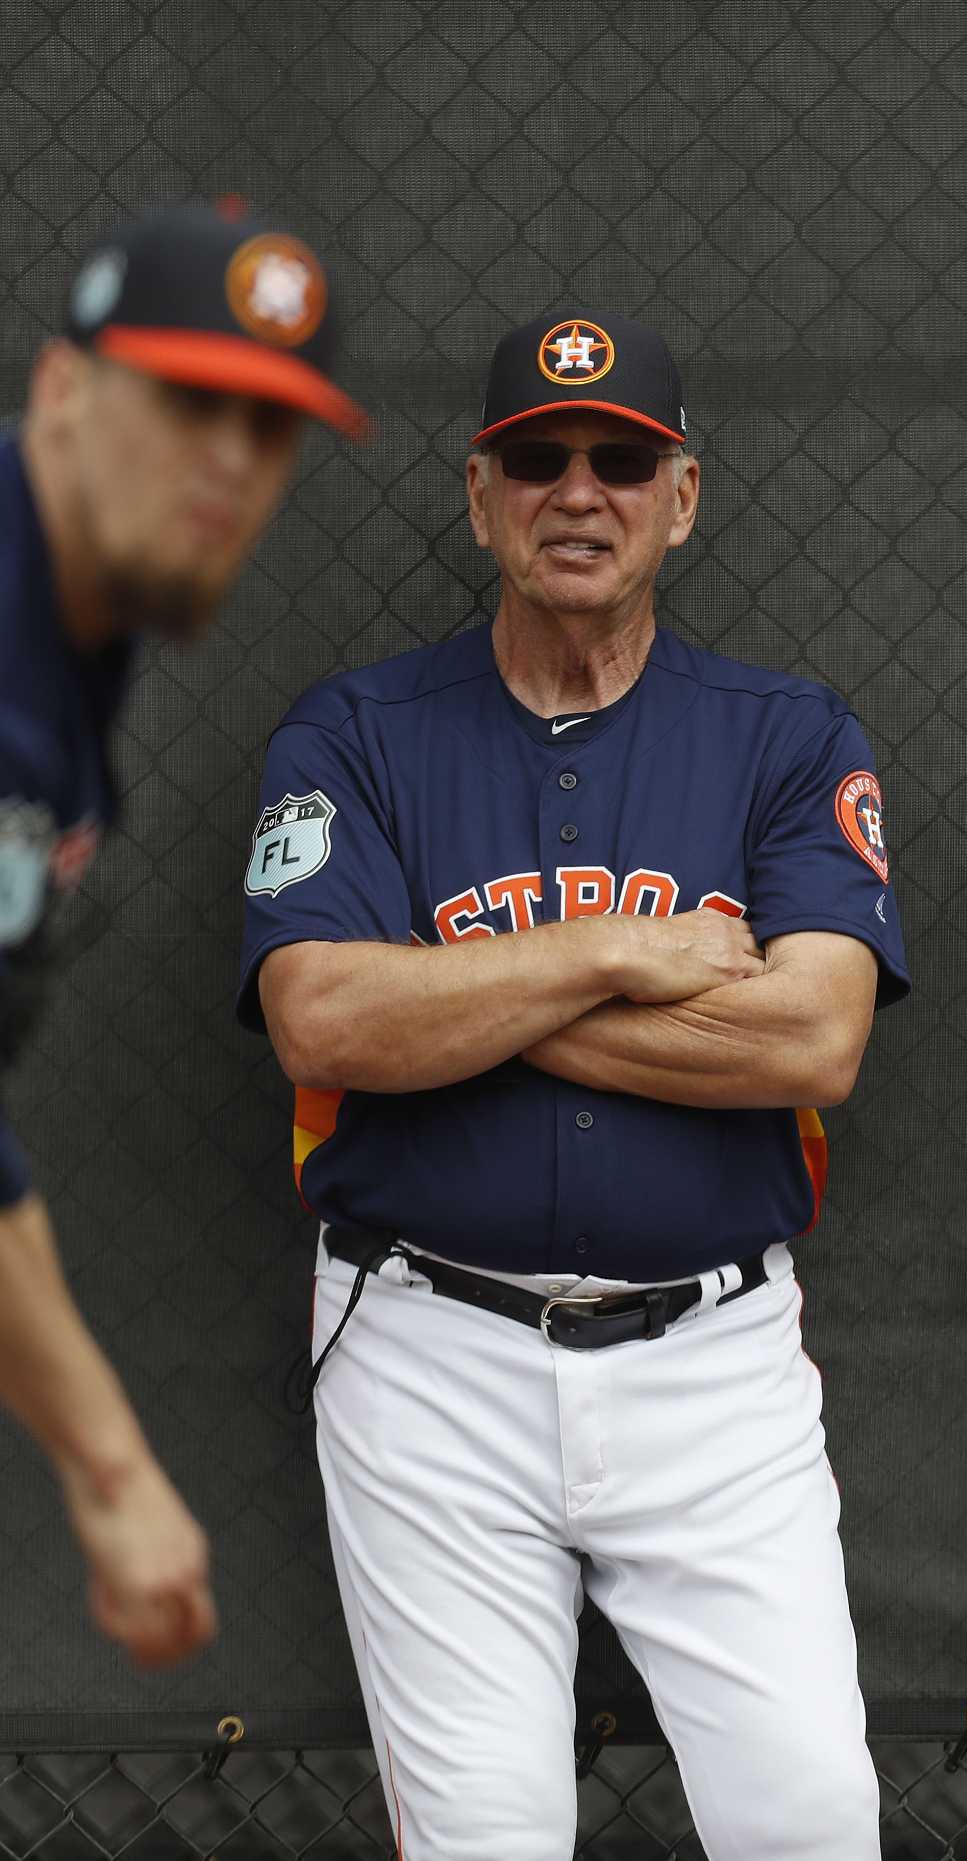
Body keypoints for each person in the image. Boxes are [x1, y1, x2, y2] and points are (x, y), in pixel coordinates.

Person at [237, 308, 909, 1860]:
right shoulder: (352, 734)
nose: (579, 489)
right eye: (537, 458)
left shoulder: (788, 736)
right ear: (480, 495)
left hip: (715, 1364)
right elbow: (324, 1021)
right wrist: (625, 945)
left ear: (684, 496)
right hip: (427, 1348)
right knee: (487, 1828)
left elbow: (815, 1041)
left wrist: (455, 991)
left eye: (624, 458)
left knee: (810, 1813)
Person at [0, 200, 364, 1668]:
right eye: (188, 400)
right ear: (63, 389)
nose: (228, 459)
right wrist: (109, 1464)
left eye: (269, 429)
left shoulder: (72, 630)